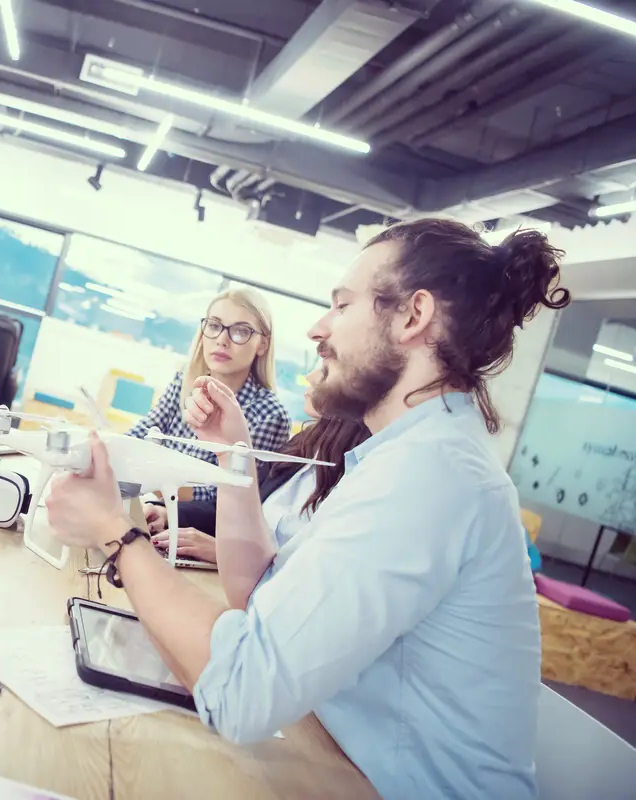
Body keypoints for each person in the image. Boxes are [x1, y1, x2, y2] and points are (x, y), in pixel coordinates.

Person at [45, 219, 571, 799]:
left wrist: (116, 533)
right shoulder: (407, 455)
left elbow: (241, 690)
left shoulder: (432, 475)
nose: (319, 329)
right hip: (340, 757)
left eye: (342, 305)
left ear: (413, 317)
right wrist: (236, 454)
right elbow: (259, 591)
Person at [149, 369, 369, 563]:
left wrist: (231, 554)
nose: (310, 377)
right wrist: (166, 513)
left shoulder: (360, 476)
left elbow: (318, 566)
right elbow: (239, 512)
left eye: (326, 369)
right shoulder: (303, 445)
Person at [133, 287, 290, 518]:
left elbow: (225, 494)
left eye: (240, 331)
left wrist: (153, 482)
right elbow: (147, 430)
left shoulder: (268, 414)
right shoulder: (185, 379)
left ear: (262, 344)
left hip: (188, 519)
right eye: (214, 326)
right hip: (151, 499)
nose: (222, 340)